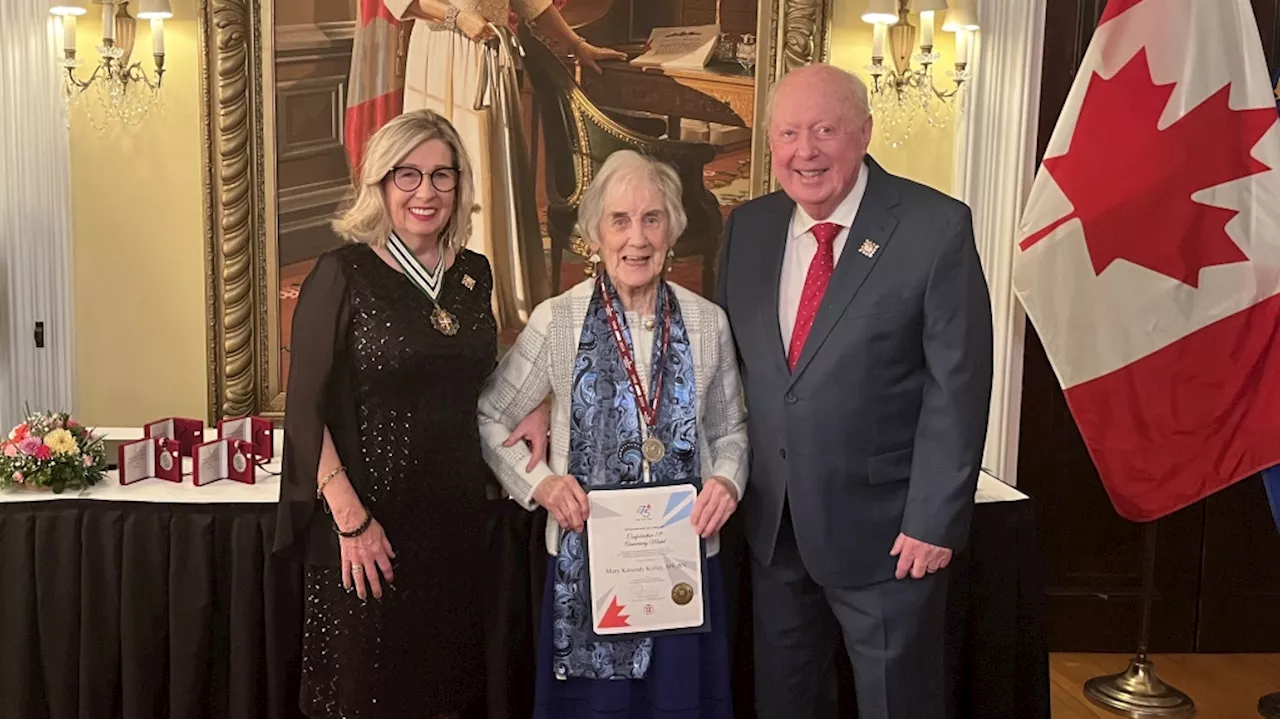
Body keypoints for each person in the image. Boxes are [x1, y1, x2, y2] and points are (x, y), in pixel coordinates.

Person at [716, 64, 994, 718]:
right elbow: (718, 363)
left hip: (888, 539)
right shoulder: (747, 229)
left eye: (825, 130)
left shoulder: (934, 227)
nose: (804, 151)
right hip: (774, 530)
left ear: (864, 133)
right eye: (788, 132)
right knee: (786, 702)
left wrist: (933, 519)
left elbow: (959, 385)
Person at [477, 149, 748, 719]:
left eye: (652, 218)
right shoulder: (559, 319)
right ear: (594, 235)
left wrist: (726, 480)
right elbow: (491, 415)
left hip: (683, 572)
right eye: (619, 221)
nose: (637, 238)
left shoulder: (707, 322)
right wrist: (543, 486)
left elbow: (731, 430)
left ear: (672, 229)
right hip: (589, 575)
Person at [274, 109, 500, 719]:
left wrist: (531, 411)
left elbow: (479, 382)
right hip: (368, 533)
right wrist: (350, 521)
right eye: (408, 175)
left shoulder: (474, 277)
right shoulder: (342, 274)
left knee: (447, 691)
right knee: (370, 693)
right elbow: (304, 410)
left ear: (460, 185)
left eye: (441, 175)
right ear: (380, 182)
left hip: (454, 528)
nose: (426, 192)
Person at [380, 0, 624, 302]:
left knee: (488, 174)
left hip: (488, 53)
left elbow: (529, 3)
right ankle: (437, 287)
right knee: (442, 170)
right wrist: (456, 16)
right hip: (441, 51)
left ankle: (491, 293)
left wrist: (577, 44)